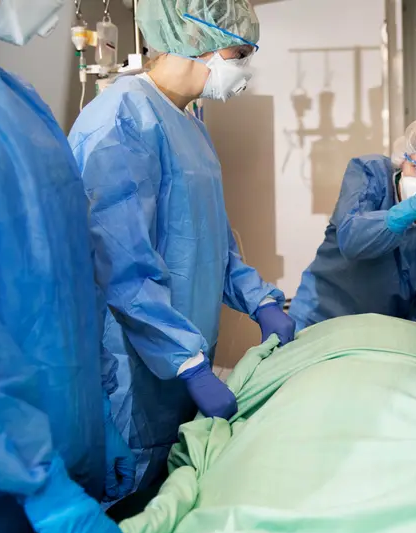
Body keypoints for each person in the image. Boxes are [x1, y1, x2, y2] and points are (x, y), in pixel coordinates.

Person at [68, 0, 295, 494]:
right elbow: (120, 265)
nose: (244, 71)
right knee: (127, 508)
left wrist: (257, 299)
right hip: (134, 366)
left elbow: (212, 240)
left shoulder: (190, 123)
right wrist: (185, 360)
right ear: (198, 38)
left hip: (181, 360)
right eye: (240, 53)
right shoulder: (120, 120)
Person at [0, 1, 136, 533]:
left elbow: (74, 277)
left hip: (64, 452)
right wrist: (43, 486)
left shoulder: (23, 103)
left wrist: (102, 410)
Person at [289, 116, 416, 336]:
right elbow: (352, 241)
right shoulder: (370, 174)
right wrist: (410, 210)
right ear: (402, 160)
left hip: (384, 338)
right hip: (319, 320)